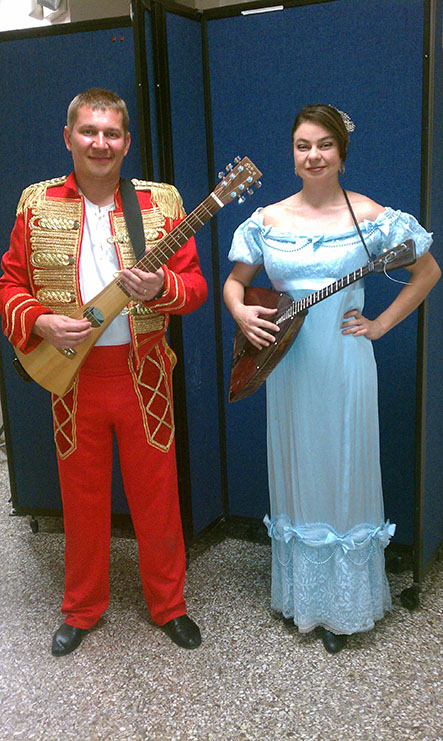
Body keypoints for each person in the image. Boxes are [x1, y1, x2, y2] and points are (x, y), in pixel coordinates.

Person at [223, 104, 440, 654]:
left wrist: (381, 324)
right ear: (292, 152)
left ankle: (346, 607)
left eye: (324, 144)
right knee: (300, 466)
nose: (313, 155)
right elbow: (235, 282)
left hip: (345, 365)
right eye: (302, 145)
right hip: (287, 367)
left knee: (344, 469)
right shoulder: (267, 219)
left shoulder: (369, 214)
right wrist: (242, 314)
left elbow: (427, 270)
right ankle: (305, 599)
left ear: (341, 152)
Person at [0, 88, 208, 656]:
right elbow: (9, 285)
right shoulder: (36, 204)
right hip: (73, 380)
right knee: (82, 498)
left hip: (144, 379)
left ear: (127, 142)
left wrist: (162, 288)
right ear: (68, 138)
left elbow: (194, 289)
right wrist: (39, 322)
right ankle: (82, 608)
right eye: (89, 132)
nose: (100, 143)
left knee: (157, 496)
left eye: (111, 133)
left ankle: (169, 605)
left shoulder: (160, 204)